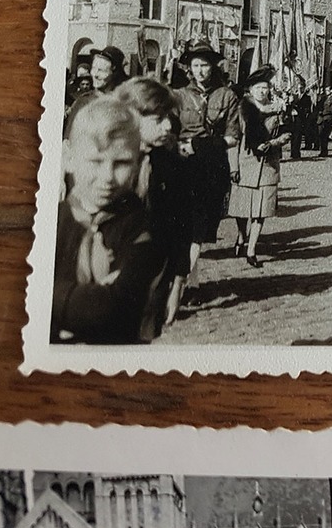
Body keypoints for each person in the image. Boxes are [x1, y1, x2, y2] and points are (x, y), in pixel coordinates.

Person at [51, 98, 170, 344]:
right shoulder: (50, 222)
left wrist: (52, 297)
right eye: (95, 161)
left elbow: (112, 309)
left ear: (138, 164)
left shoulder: (145, 228)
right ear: (69, 158)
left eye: (122, 163)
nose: (107, 177)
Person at [114, 77, 192, 328]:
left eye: (168, 117)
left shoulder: (171, 165)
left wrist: (178, 280)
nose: (168, 125)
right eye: (158, 120)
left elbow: (182, 225)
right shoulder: (107, 166)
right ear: (131, 118)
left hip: (155, 279)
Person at [174, 45, 241, 289]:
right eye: (196, 65)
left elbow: (233, 137)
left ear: (213, 67)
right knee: (181, 226)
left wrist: (199, 146)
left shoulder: (227, 96)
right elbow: (170, 132)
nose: (200, 71)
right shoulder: (178, 96)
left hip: (211, 170)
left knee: (199, 230)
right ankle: (189, 281)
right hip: (181, 167)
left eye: (205, 65)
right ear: (189, 69)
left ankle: (186, 283)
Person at [227, 66, 291, 268]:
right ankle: (241, 235)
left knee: (261, 211)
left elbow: (288, 134)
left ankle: (251, 250)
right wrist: (233, 167)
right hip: (245, 164)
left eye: (266, 88)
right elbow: (233, 140)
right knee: (242, 209)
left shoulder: (278, 110)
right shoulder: (241, 110)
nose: (263, 92)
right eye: (259, 88)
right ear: (251, 90)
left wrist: (273, 143)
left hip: (268, 166)